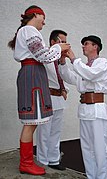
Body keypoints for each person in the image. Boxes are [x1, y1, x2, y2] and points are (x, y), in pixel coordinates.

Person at [8, 5, 70, 176]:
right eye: (43, 17)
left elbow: (39, 55)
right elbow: (42, 55)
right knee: (31, 122)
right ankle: (26, 163)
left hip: (33, 73)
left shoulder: (26, 31)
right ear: (36, 14)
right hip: (32, 74)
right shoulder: (29, 30)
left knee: (33, 122)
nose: (44, 21)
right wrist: (59, 48)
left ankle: (26, 162)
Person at [59, 35, 107, 179]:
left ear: (95, 47)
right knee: (86, 147)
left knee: (99, 148)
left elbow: (91, 75)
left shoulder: (102, 62)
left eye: (86, 44)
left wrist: (74, 59)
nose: (83, 46)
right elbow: (70, 77)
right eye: (83, 44)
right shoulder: (83, 67)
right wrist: (63, 63)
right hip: (85, 110)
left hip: (97, 109)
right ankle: (90, 176)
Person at [36, 30, 68, 170]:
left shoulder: (62, 60)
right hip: (47, 97)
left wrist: (65, 89)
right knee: (44, 131)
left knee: (56, 131)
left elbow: (65, 77)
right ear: (53, 43)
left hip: (59, 98)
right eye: (62, 41)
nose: (65, 44)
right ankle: (43, 160)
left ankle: (54, 159)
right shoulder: (45, 56)